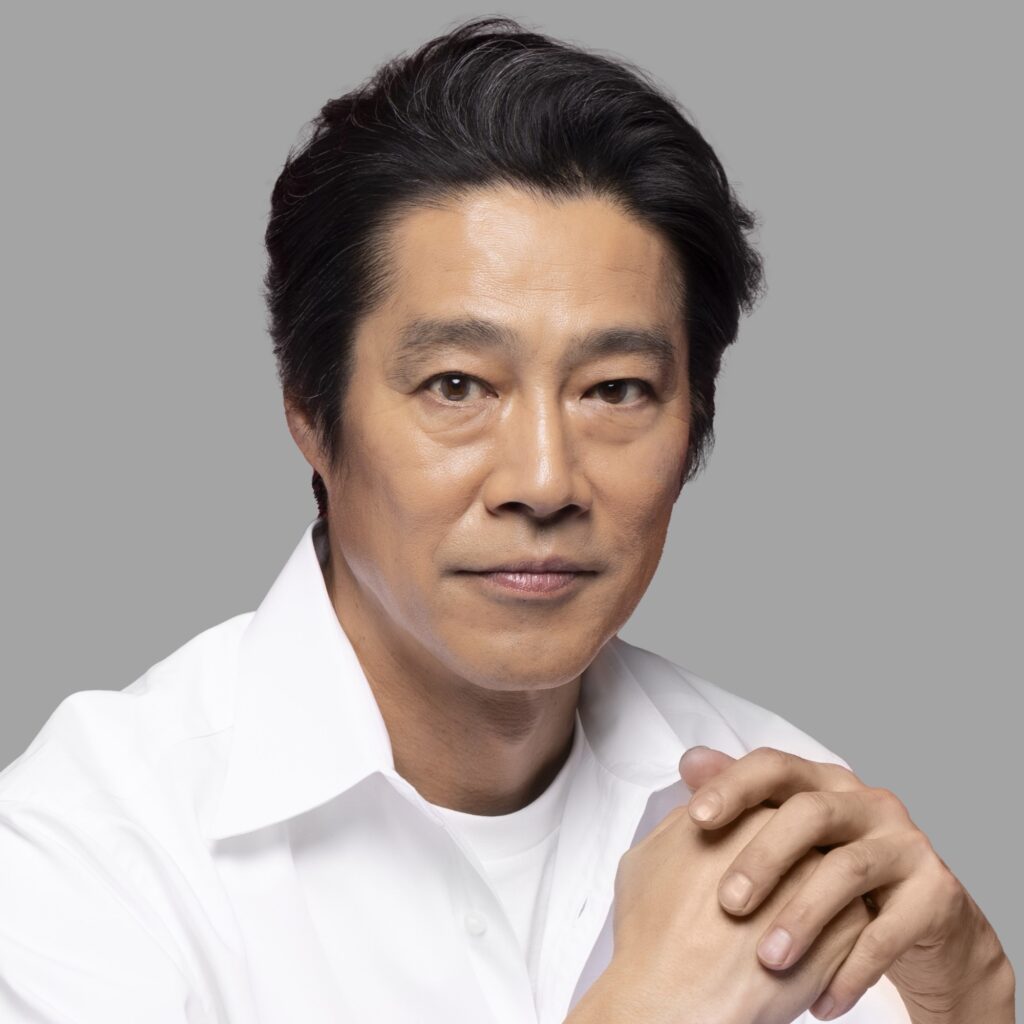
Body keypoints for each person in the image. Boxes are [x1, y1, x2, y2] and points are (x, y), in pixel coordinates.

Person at [0, 15, 1013, 1024]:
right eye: (457, 385)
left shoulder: (790, 811)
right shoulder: (87, 854)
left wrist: (968, 1003)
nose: (543, 479)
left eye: (615, 389)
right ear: (310, 413)